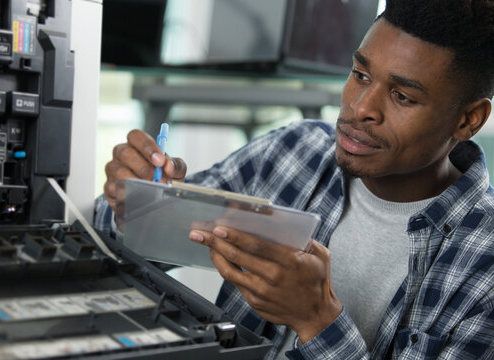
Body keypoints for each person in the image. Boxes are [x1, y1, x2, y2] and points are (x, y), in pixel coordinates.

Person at [94, 0, 494, 358]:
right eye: (360, 74)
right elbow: (107, 239)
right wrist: (139, 203)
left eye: (403, 97)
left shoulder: (485, 267)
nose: (360, 107)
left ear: (468, 120)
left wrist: (317, 322)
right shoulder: (292, 151)